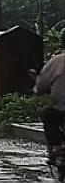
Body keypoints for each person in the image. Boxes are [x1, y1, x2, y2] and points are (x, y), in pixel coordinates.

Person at [36, 29, 65, 161]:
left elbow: (41, 85)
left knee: (48, 115)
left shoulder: (56, 61)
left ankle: (58, 146)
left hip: (61, 109)